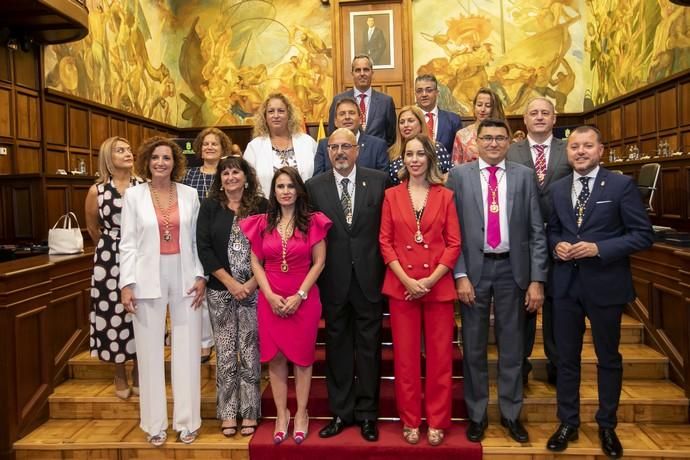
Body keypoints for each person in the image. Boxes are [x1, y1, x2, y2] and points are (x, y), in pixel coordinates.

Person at [546, 126, 653, 459]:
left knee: (608, 358)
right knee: (566, 360)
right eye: (575, 146)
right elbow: (550, 231)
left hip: (606, 285)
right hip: (564, 286)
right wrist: (557, 246)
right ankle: (568, 422)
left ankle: (607, 425)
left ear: (600, 150)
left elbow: (642, 235)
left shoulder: (620, 185)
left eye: (587, 146)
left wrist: (598, 248)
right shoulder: (558, 188)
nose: (580, 151)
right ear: (568, 152)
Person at [447, 119, 548, 444]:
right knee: (473, 348)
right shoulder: (459, 176)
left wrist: (536, 280)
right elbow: (452, 231)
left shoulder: (523, 175)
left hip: (512, 272)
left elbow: (536, 231)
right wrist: (459, 274)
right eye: (487, 138)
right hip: (473, 273)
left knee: (512, 347)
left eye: (499, 138)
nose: (493, 143)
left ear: (509, 142)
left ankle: (510, 413)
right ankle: (476, 415)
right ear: (476, 141)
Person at [119, 137, 206, 447]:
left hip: (185, 275)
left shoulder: (190, 194)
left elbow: (197, 240)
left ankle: (187, 422)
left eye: (166, 157)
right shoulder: (133, 196)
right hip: (145, 278)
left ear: (175, 162)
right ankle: (154, 424)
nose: (160, 162)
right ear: (147, 161)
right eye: (155, 157)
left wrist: (200, 275)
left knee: (187, 351)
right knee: (149, 352)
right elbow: (127, 242)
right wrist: (126, 283)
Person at [307, 128, 389, 442]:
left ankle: (368, 415)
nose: (340, 152)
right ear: (327, 152)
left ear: (357, 150)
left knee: (369, 351)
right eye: (334, 147)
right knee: (337, 350)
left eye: (346, 146)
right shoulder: (314, 188)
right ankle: (341, 413)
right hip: (333, 282)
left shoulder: (379, 181)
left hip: (369, 281)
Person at [240, 167, 331, 445]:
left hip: (303, 300)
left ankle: (302, 413)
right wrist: (267, 294)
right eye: (280, 186)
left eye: (291, 186)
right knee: (276, 359)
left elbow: (320, 263)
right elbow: (256, 261)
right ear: (274, 191)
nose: (286, 191)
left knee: (303, 360)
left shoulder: (313, 221)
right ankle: (282, 414)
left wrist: (300, 295)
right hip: (271, 299)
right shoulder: (261, 223)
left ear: (299, 190)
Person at [379, 134, 461, 446]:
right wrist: (407, 280)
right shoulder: (391, 195)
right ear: (403, 160)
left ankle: (438, 420)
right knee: (406, 359)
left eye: (419, 154)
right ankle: (411, 420)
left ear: (430, 159)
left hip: (437, 287)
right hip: (402, 288)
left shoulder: (446, 195)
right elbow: (385, 243)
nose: (414, 160)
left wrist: (430, 280)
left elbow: (454, 243)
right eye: (409, 154)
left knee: (440, 358)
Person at [196, 156, 268, 438]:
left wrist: (250, 284)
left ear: (246, 176)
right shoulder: (210, 206)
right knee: (226, 354)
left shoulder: (261, 206)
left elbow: (269, 245)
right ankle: (227, 413)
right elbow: (203, 247)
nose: (230, 177)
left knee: (250, 352)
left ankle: (249, 411)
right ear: (220, 180)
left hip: (254, 290)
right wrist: (229, 283)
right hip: (220, 291)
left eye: (235, 172)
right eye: (225, 173)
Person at [507, 97, 571, 386]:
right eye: (534, 113)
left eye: (546, 113)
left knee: (557, 305)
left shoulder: (568, 149)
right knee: (525, 307)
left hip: (561, 240)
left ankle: (557, 366)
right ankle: (520, 367)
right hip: (522, 240)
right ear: (525, 119)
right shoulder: (511, 151)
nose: (540, 117)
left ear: (555, 119)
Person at [85, 136, 142, 400]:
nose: (128, 153)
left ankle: (140, 368)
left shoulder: (143, 186)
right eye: (121, 150)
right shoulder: (97, 191)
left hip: (141, 254)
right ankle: (119, 370)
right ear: (109, 156)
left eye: (129, 149)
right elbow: (92, 228)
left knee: (141, 311)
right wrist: (111, 246)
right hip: (109, 258)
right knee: (113, 314)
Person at [184, 127, 236, 363]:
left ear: (222, 147)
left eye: (214, 143)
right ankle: (205, 342)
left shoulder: (228, 173)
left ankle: (227, 340)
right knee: (199, 286)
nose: (209, 147)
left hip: (223, 235)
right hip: (194, 236)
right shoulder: (189, 174)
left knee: (220, 286)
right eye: (205, 144)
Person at [244, 93, 317, 194]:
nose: (276, 115)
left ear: (289, 114)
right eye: (271, 111)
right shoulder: (254, 147)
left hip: (306, 205)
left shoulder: (308, 142)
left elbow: (318, 177)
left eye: (281, 111)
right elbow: (248, 182)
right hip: (266, 206)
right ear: (264, 116)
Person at [328, 55, 396, 146]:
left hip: (376, 157)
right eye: (358, 70)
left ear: (372, 72)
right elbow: (332, 133)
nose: (362, 73)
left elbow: (391, 136)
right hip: (347, 156)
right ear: (352, 73)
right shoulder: (338, 100)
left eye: (366, 69)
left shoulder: (386, 102)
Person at [314, 97, 388, 175]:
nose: (347, 117)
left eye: (352, 113)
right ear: (335, 121)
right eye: (342, 114)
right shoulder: (324, 144)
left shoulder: (377, 145)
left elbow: (383, 181)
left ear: (360, 119)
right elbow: (318, 180)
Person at [387, 105, 451, 185]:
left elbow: (449, 175)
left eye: (410, 121)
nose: (406, 125)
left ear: (421, 123)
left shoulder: (436, 148)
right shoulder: (392, 152)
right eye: (402, 122)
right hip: (400, 195)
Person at [452, 88, 505, 165]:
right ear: (474, 107)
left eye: (488, 106)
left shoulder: (502, 134)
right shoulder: (462, 134)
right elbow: (456, 167)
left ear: (494, 108)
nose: (482, 109)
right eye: (479, 105)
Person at [414, 74, 462, 154]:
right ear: (415, 94)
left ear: (437, 93)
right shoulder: (410, 120)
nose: (424, 94)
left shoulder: (453, 120)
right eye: (419, 91)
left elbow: (458, 152)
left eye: (429, 90)